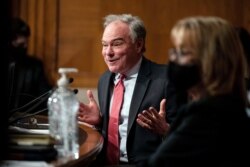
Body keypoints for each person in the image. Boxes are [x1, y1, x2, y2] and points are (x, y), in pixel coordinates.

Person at [137, 16, 250, 167]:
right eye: (174, 51)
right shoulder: (224, 105)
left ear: (210, 61)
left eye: (183, 53)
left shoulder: (209, 114)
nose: (173, 59)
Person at [78, 14, 174, 166]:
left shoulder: (166, 80)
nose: (108, 52)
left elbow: (191, 139)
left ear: (138, 45)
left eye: (116, 44)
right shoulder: (105, 80)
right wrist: (100, 122)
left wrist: (166, 130)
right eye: (104, 45)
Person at [8, 17, 52, 121]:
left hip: (27, 120)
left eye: (26, 42)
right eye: (21, 44)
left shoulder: (35, 66)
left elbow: (46, 96)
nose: (26, 46)